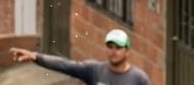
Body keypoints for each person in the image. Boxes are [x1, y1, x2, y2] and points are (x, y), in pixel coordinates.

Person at [11, 28, 150, 85]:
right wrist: (35, 57)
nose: (113, 51)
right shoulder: (95, 70)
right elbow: (65, 65)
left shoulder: (138, 78)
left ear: (127, 51)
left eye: (118, 48)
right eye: (110, 47)